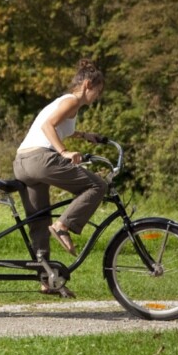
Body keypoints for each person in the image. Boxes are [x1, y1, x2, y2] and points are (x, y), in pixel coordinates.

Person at [12, 58, 107, 298]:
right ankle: (64, 224)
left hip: (22, 164)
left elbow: (61, 126)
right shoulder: (73, 100)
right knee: (97, 185)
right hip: (40, 160)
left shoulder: (65, 102)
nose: (98, 96)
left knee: (39, 222)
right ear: (87, 85)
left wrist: (85, 135)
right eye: (98, 90)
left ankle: (47, 281)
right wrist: (64, 152)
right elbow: (48, 126)